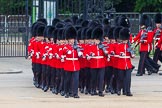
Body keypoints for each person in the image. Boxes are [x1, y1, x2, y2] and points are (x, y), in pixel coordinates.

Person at [63, 25, 83, 98]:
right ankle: (67, 92)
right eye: (70, 39)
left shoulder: (77, 47)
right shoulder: (66, 46)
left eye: (73, 39)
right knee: (67, 80)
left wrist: (80, 54)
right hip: (68, 65)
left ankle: (75, 93)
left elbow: (80, 55)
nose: (72, 41)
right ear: (68, 40)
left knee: (75, 80)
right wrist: (67, 52)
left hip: (76, 65)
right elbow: (63, 51)